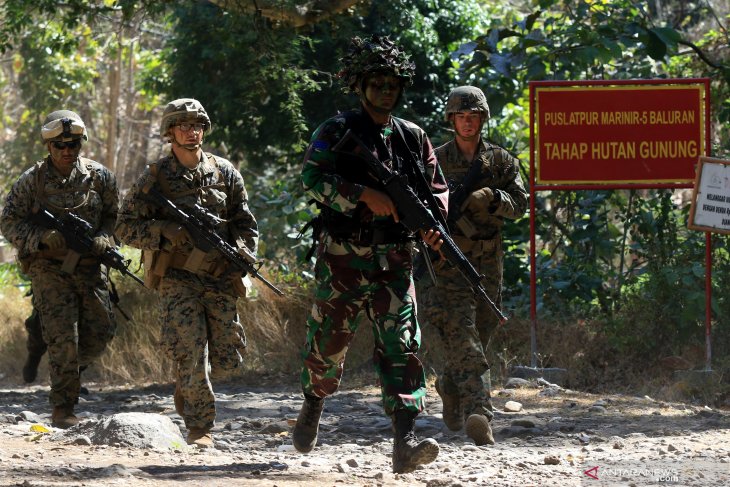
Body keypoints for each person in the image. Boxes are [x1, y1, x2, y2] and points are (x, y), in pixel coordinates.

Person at [292, 35, 448, 474]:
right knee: (328, 345)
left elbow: (436, 192)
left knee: (403, 346)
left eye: (393, 84)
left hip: (396, 260)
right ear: (360, 86)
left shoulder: (413, 137)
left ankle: (405, 441)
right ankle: (312, 405)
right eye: (377, 83)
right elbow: (312, 177)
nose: (386, 90)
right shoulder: (337, 130)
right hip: (345, 258)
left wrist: (434, 227)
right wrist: (362, 194)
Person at [115, 98, 258, 448]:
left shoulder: (225, 173)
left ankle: (186, 384)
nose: (191, 131)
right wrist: (164, 231)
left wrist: (244, 251)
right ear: (169, 132)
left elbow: (245, 223)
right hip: (178, 278)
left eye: (197, 125)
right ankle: (200, 427)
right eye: (183, 125)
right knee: (191, 352)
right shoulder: (155, 178)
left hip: (219, 274)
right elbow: (124, 227)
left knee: (226, 356)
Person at [418, 86, 528, 445]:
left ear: (483, 118)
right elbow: (416, 205)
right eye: (461, 116)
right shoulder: (433, 159)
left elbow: (521, 204)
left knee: (480, 334)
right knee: (465, 338)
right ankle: (480, 412)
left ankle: (450, 385)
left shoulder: (500, 161)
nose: (468, 122)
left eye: (474, 116)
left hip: (488, 261)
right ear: (452, 120)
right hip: (447, 262)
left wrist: (494, 197)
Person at [0, 110, 118, 428]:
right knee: (64, 336)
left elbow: (114, 216)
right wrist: (41, 237)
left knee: (102, 329)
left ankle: (50, 348)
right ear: (49, 147)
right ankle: (63, 408)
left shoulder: (100, 177)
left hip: (90, 265)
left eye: (74, 144)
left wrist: (106, 237)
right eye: (60, 146)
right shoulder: (32, 181)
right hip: (48, 268)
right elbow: (9, 221)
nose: (67, 151)